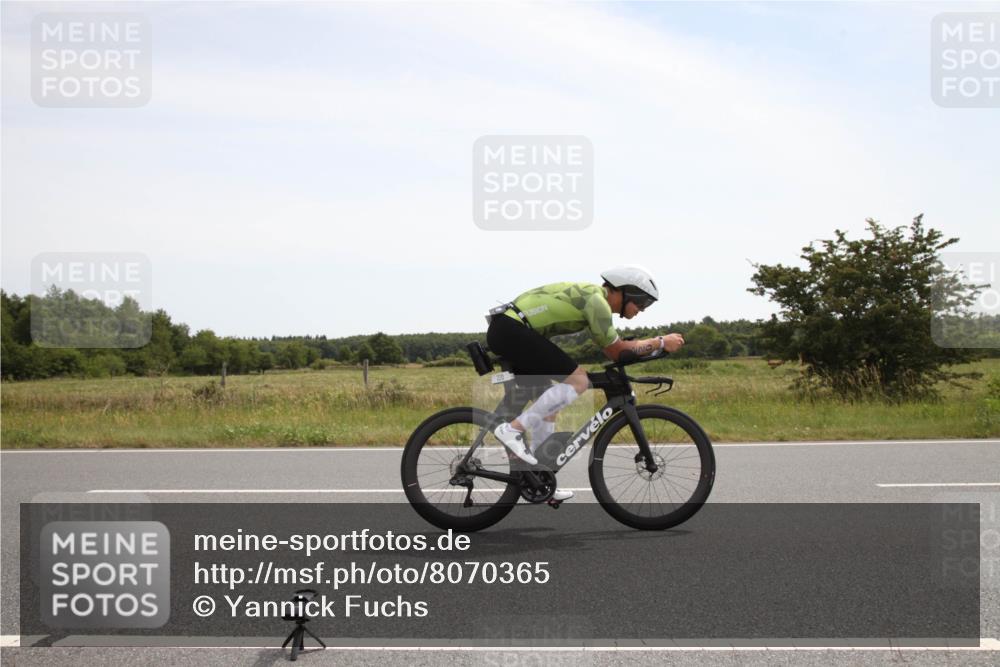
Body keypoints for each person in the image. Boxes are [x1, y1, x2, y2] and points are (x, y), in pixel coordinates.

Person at [486, 266, 685, 501]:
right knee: (578, 380)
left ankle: (540, 476)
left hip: (509, 329)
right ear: (625, 291)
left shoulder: (594, 299)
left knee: (550, 402)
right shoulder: (597, 302)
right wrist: (660, 342)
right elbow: (617, 352)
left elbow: (614, 350)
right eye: (641, 303)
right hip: (511, 330)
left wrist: (652, 346)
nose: (641, 310)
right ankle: (512, 431)